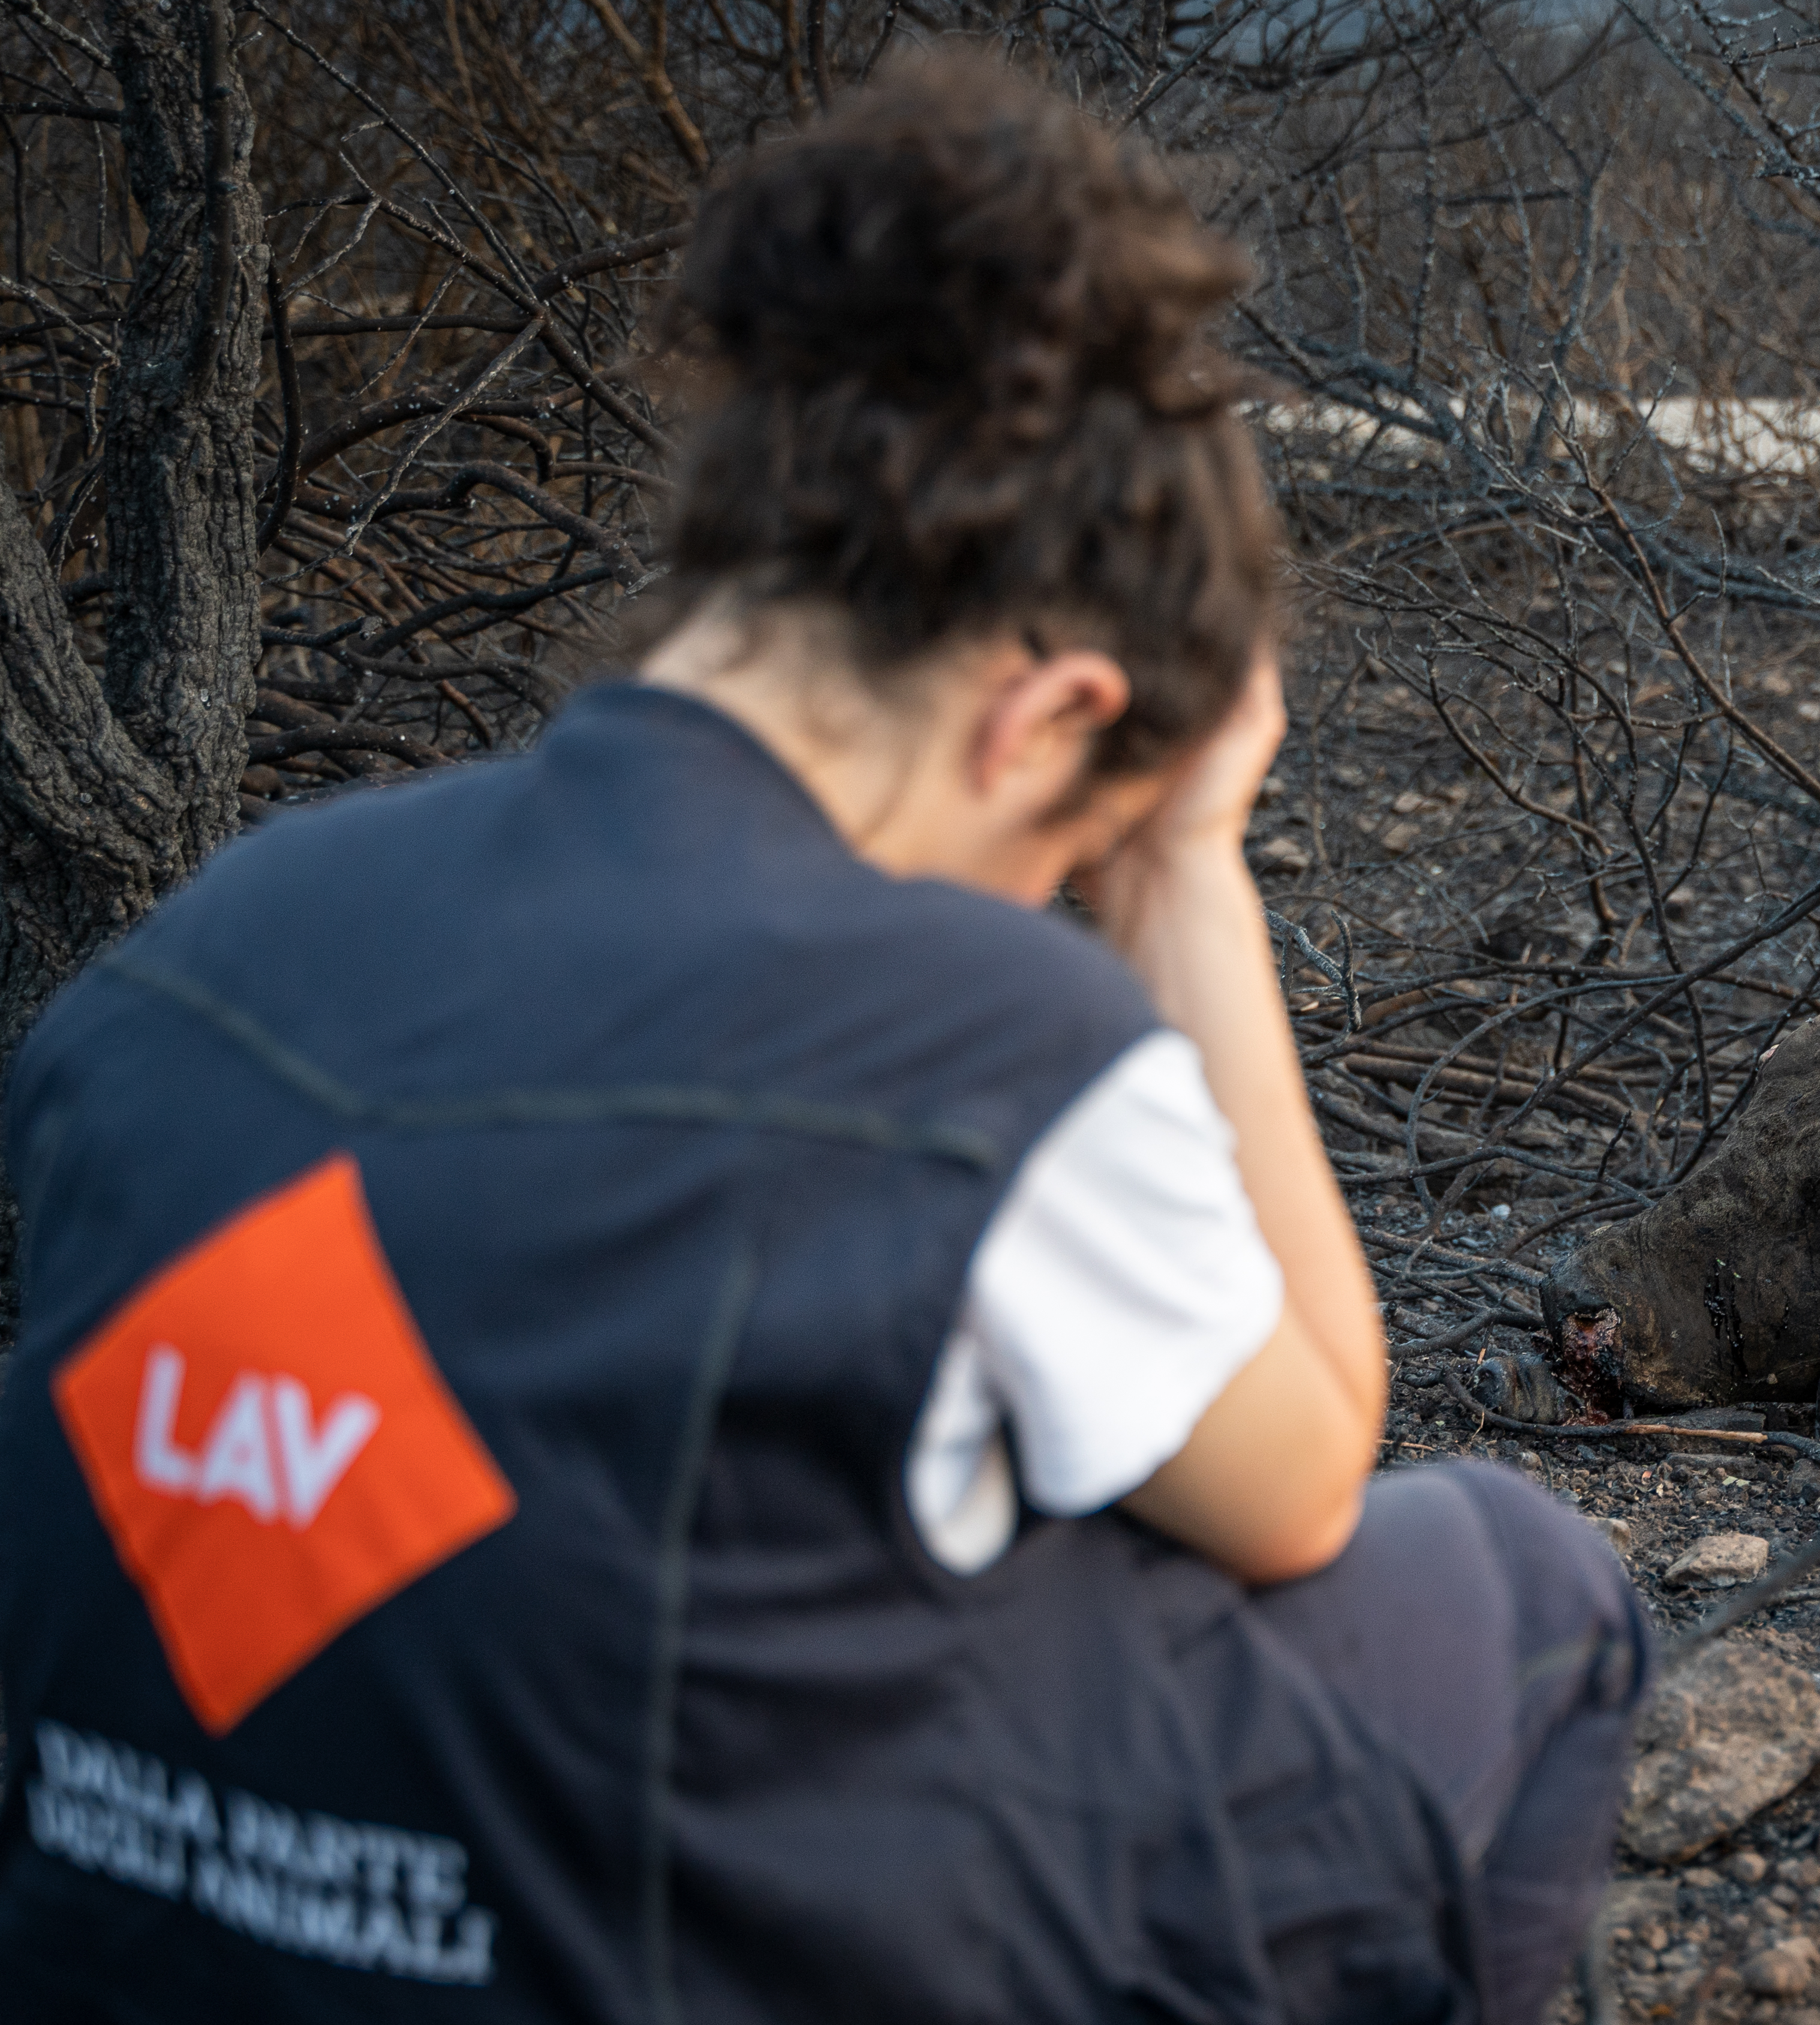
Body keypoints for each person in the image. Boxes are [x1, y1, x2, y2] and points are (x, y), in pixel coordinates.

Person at [0, 53, 1646, 2025]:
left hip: (135, 1949)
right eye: (1068, 843)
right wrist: (1187, 866)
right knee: (1517, 1591)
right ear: (1043, 721)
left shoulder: (210, 937)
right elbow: (1306, 1481)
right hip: (681, 1955)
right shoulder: (982, 1043)